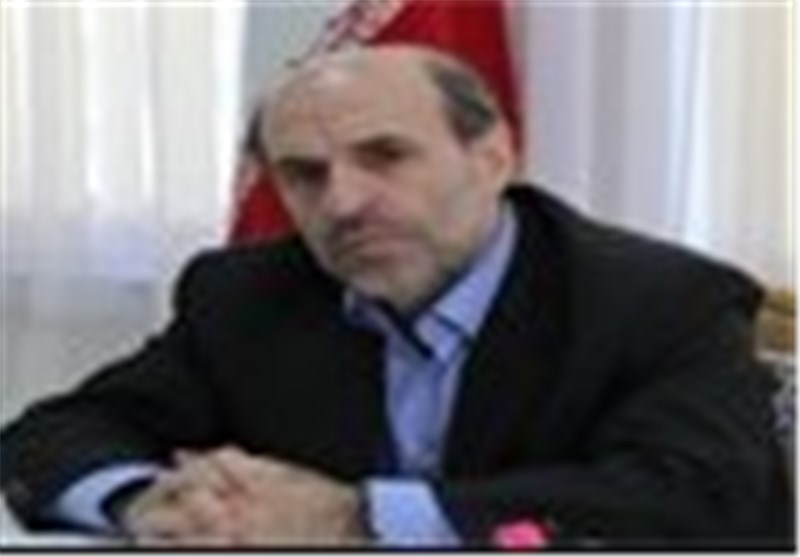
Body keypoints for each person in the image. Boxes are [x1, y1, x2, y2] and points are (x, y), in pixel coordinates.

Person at [0, 45, 792, 549]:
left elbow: (698, 501)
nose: (342, 203)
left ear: (493, 156)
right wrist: (145, 502)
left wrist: (355, 516)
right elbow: (53, 435)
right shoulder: (245, 292)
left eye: (385, 156)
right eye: (303, 174)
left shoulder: (660, 300)